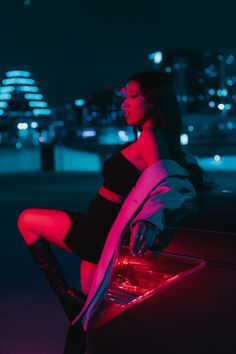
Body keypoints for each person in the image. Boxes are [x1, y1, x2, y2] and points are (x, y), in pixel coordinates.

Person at [17, 71, 205, 353]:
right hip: (100, 230)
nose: (124, 104)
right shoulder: (155, 138)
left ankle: (67, 296)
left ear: (153, 101)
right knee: (89, 321)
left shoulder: (151, 138)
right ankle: (77, 316)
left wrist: (151, 217)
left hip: (99, 229)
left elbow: (166, 180)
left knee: (26, 220)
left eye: (132, 96)